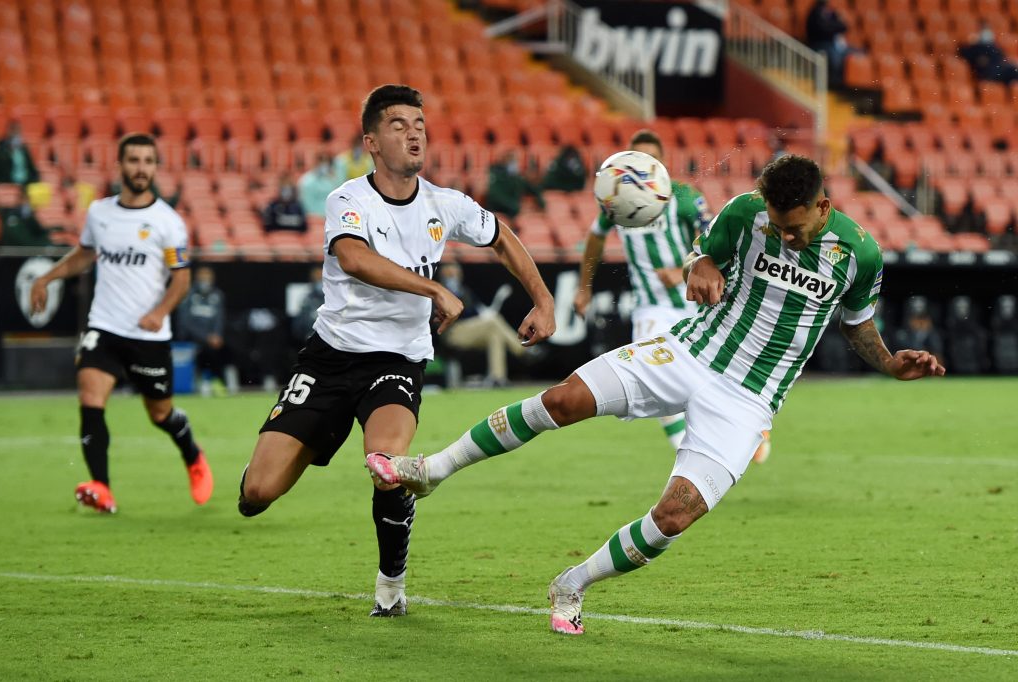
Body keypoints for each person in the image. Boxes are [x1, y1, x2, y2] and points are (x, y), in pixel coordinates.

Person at [367, 154, 945, 635]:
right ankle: (433, 469)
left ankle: (572, 584)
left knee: (674, 516)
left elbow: (856, 326)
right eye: (779, 225)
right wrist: (701, 265)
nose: (787, 236)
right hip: (690, 351)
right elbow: (701, 250)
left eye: (796, 227)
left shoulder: (860, 255)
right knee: (565, 399)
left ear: (825, 206)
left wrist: (892, 363)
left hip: (748, 398)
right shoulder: (748, 213)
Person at [238, 85, 556, 618]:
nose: (413, 133)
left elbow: (501, 236)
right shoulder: (348, 200)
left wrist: (543, 299)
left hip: (396, 363)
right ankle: (313, 441)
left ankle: (391, 586)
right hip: (330, 358)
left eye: (419, 124)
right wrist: (432, 288)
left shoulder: (444, 203)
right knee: (257, 494)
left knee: (388, 467)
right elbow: (356, 260)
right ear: (372, 142)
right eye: (398, 125)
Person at [29, 133, 214, 514]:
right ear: (121, 165)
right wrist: (47, 278)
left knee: (160, 414)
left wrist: (160, 312)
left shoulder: (168, 222)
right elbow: (84, 255)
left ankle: (192, 454)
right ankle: (102, 488)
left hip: (148, 335)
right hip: (105, 327)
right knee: (90, 399)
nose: (141, 168)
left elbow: (181, 278)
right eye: (134, 160)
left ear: (154, 167)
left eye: (148, 161)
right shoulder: (99, 213)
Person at [575, 129, 726, 457]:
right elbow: (595, 239)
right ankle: (693, 458)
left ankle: (738, 430)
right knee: (659, 383)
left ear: (661, 164)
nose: (641, 169)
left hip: (694, 305)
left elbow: (717, 242)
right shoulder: (615, 199)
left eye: (649, 161)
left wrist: (685, 267)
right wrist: (584, 288)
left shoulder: (684, 197)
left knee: (705, 384)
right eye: (636, 160)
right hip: (651, 308)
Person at [438, 261, 528, 387]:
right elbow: (456, 313)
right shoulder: (440, 291)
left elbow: (477, 310)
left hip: (470, 330)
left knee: (495, 334)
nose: (454, 275)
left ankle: (497, 378)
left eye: (456, 272)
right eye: (450, 272)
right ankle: (522, 350)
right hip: (452, 332)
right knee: (493, 321)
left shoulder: (464, 290)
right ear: (443, 274)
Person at [176, 265, 239, 395]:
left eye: (208, 277)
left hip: (212, 338)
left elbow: (220, 319)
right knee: (205, 351)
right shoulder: (188, 294)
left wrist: (216, 335)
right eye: (202, 277)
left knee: (230, 347)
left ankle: (226, 382)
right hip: (191, 337)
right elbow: (185, 322)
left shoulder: (217, 295)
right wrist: (206, 337)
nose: (205, 280)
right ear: (196, 278)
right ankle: (206, 381)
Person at [805, 0, 859, 88]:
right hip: (819, 43)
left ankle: (847, 83)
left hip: (833, 44)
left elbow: (844, 26)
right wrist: (833, 27)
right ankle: (834, 84)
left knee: (855, 52)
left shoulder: (832, 14)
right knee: (835, 56)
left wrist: (832, 26)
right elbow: (822, 29)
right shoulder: (815, 13)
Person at [484, 149, 544, 219]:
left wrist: (541, 203)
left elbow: (533, 189)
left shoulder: (517, 177)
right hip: (498, 212)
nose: (515, 164)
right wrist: (516, 207)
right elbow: (497, 197)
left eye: (515, 161)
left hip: (513, 212)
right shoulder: (496, 177)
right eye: (511, 161)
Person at [0, 122, 40, 186]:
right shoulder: (1, 149)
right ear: (8, 132)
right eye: (13, 132)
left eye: (18, 132)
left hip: (26, 183)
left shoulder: (24, 149)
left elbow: (32, 168)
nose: (16, 135)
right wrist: (9, 151)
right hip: (8, 183)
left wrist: (35, 180)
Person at [298, 152, 341, 218]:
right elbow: (307, 205)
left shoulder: (333, 179)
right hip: (315, 218)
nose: (323, 165)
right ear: (315, 163)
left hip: (332, 217)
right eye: (321, 162)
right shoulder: (307, 181)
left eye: (326, 163)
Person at [291, 265, 325, 341]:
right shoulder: (307, 298)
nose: (319, 282)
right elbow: (298, 325)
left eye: (321, 279)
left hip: (329, 340)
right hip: (310, 337)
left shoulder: (333, 297)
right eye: (316, 279)